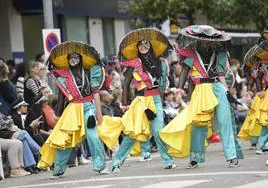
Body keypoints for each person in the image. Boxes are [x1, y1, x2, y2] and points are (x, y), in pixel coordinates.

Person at [160, 25, 242, 168]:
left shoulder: (219, 53)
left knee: (225, 121)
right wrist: (179, 89)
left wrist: (227, 91)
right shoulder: (191, 54)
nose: (206, 42)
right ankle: (195, 158)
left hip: (217, 88)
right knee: (198, 124)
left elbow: (221, 75)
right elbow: (185, 72)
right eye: (202, 39)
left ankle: (232, 156)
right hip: (201, 90)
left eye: (209, 40)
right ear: (197, 40)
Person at [98, 28, 176, 173]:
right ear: (138, 48)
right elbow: (126, 83)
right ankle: (116, 162)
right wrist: (126, 103)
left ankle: (168, 161)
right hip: (140, 101)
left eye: (146, 45)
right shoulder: (135, 64)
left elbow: (163, 85)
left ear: (150, 47)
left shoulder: (161, 63)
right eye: (141, 46)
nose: (144, 48)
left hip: (155, 100)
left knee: (158, 131)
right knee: (133, 133)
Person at [37, 41, 108, 178]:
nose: (73, 60)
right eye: (71, 58)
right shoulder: (64, 75)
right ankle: (58, 170)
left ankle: (100, 166)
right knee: (66, 139)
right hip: (72, 109)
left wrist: (99, 113)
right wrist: (58, 115)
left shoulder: (89, 72)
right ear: (68, 60)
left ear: (80, 59)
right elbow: (62, 97)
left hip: (88, 107)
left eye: (76, 57)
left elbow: (95, 93)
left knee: (93, 137)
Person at [238, 30, 268, 154]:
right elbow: (256, 79)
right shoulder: (262, 64)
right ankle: (259, 143)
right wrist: (255, 91)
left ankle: (261, 143)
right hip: (264, 95)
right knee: (260, 119)